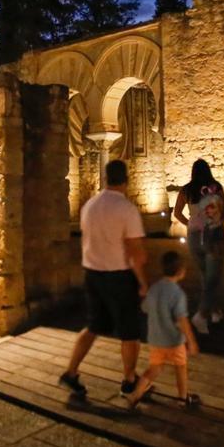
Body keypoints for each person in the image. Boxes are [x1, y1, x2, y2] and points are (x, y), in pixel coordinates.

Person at [59, 159, 149, 398]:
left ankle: (71, 372)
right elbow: (134, 252)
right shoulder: (127, 210)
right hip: (118, 277)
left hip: (92, 274)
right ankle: (130, 380)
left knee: (93, 326)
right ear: (126, 180)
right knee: (130, 332)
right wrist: (142, 282)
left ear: (106, 178)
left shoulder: (89, 206)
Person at [125, 251, 200, 408]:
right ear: (181, 272)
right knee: (180, 367)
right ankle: (182, 397)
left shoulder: (154, 289)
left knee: (153, 369)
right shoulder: (178, 294)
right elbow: (182, 320)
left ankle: (135, 395)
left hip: (155, 340)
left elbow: (145, 308)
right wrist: (191, 341)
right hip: (174, 341)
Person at [172, 159, 224, 334]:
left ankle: (215, 312)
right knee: (212, 278)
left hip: (194, 237)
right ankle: (201, 315)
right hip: (213, 236)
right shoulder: (215, 188)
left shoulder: (187, 190)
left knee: (206, 276)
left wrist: (190, 223)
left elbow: (177, 212)